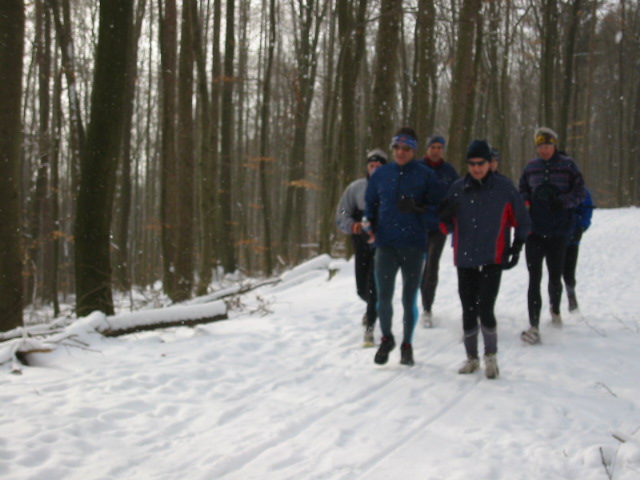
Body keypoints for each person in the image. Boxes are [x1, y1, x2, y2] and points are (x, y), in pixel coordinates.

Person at [439, 140, 531, 379]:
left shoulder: (504, 188)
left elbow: (522, 219)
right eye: (472, 164)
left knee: (486, 307)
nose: (477, 168)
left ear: (490, 163)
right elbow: (445, 225)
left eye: (481, 163)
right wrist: (444, 217)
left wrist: (517, 246)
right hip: (465, 257)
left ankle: (491, 357)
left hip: (493, 256)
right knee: (468, 309)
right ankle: (471, 358)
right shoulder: (458, 188)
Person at [364, 127, 445, 366]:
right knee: (383, 297)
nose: (401, 152)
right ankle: (387, 338)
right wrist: (369, 222)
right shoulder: (381, 174)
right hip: (385, 245)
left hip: (413, 245)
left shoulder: (425, 175)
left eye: (406, 148)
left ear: (414, 150)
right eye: (397, 147)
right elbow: (370, 204)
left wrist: (418, 210)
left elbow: (439, 210)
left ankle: (407, 344)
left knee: (409, 299)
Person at [518, 127, 586, 344]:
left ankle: (555, 310)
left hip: (559, 230)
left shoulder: (568, 165)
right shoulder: (531, 167)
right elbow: (522, 190)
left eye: (547, 145)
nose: (544, 150)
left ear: (554, 145)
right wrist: (526, 203)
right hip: (535, 230)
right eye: (540, 146)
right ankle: (534, 324)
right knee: (534, 277)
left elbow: (580, 192)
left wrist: (564, 202)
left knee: (555, 276)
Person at [335, 149, 387, 346]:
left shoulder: (392, 188)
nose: (375, 170)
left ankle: (370, 328)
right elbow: (341, 213)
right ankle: (373, 305)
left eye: (379, 166)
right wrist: (354, 226)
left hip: (382, 245)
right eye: (372, 166)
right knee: (362, 290)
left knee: (374, 286)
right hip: (360, 243)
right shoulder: (356, 188)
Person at [419, 135, 459, 328]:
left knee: (432, 266)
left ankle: (427, 308)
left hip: (439, 226)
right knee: (416, 267)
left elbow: (457, 196)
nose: (435, 151)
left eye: (439, 147)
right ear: (427, 149)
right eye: (432, 147)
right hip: (417, 225)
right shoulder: (416, 168)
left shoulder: (449, 172)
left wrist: (450, 216)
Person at [563, 188, 593, 312]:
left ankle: (571, 295)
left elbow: (587, 209)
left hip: (572, 237)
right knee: (554, 273)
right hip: (553, 236)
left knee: (569, 271)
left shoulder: (580, 190)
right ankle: (555, 306)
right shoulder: (553, 185)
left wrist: (581, 227)